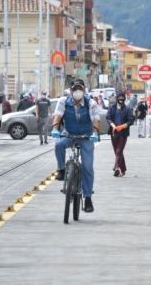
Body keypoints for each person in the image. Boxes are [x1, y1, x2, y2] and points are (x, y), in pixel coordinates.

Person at [51, 79, 100, 213]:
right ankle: (61, 170)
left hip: (86, 136)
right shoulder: (63, 101)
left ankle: (88, 197)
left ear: (84, 91)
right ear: (71, 91)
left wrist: (95, 133)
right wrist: (55, 129)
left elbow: (96, 119)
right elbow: (58, 115)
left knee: (87, 167)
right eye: (75, 89)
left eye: (80, 89)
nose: (77, 92)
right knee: (59, 145)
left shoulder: (91, 103)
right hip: (69, 133)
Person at [107, 91, 135, 177]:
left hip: (123, 134)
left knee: (119, 151)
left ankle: (116, 168)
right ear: (116, 99)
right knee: (117, 152)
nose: (121, 100)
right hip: (114, 133)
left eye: (122, 98)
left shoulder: (127, 109)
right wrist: (113, 126)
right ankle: (123, 169)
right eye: (119, 98)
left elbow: (131, 120)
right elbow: (108, 118)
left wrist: (123, 126)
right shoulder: (112, 108)